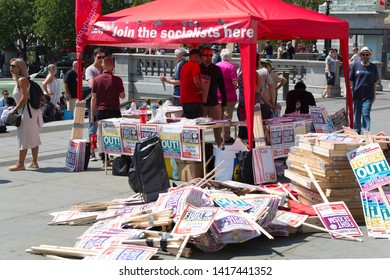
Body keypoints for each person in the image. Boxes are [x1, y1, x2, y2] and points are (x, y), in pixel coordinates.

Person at [8, 58, 41, 171]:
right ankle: (34, 161)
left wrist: (14, 110)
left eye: (13, 66)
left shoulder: (22, 80)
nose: (10, 68)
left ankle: (20, 164)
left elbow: (24, 98)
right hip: (31, 111)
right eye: (10, 66)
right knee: (33, 136)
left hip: (26, 112)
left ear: (20, 67)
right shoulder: (24, 79)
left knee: (23, 137)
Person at [91, 57, 126, 164]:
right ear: (113, 66)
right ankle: (119, 157)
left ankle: (104, 158)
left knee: (102, 135)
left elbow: (93, 98)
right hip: (114, 111)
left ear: (103, 66)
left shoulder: (96, 80)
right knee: (115, 135)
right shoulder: (117, 80)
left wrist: (92, 114)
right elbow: (123, 96)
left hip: (101, 111)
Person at [200, 47, 227, 147]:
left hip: (213, 103)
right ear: (202, 56)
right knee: (200, 128)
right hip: (201, 103)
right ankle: (201, 149)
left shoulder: (216, 69)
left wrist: (224, 103)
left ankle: (220, 148)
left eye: (211, 55)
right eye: (206, 55)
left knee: (217, 128)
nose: (208, 57)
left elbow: (222, 87)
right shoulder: (198, 68)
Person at [350, 46, 378, 134]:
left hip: (368, 95)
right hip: (357, 94)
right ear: (360, 55)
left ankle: (365, 132)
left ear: (369, 55)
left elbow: (374, 82)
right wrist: (346, 91)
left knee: (366, 113)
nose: (365, 56)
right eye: (363, 54)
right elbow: (350, 80)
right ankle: (357, 132)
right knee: (357, 115)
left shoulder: (373, 67)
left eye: (367, 54)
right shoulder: (355, 66)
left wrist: (374, 95)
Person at [85, 47, 105, 162]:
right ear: (94, 57)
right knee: (93, 125)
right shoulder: (90, 70)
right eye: (99, 57)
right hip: (94, 101)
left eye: (103, 57)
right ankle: (92, 151)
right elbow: (92, 85)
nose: (101, 60)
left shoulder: (104, 69)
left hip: (104, 101)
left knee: (104, 127)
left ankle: (103, 151)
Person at [216, 49, 238, 143]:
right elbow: (234, 82)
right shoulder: (231, 67)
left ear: (221, 56)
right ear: (230, 57)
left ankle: (218, 136)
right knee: (227, 117)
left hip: (217, 95)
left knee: (218, 117)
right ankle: (227, 137)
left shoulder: (216, 66)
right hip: (229, 96)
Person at [179, 48, 205, 119]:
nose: (202, 59)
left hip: (184, 99)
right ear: (196, 57)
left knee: (187, 123)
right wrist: (203, 89)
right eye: (201, 57)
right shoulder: (195, 66)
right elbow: (196, 81)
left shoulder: (184, 66)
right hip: (194, 99)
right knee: (196, 123)